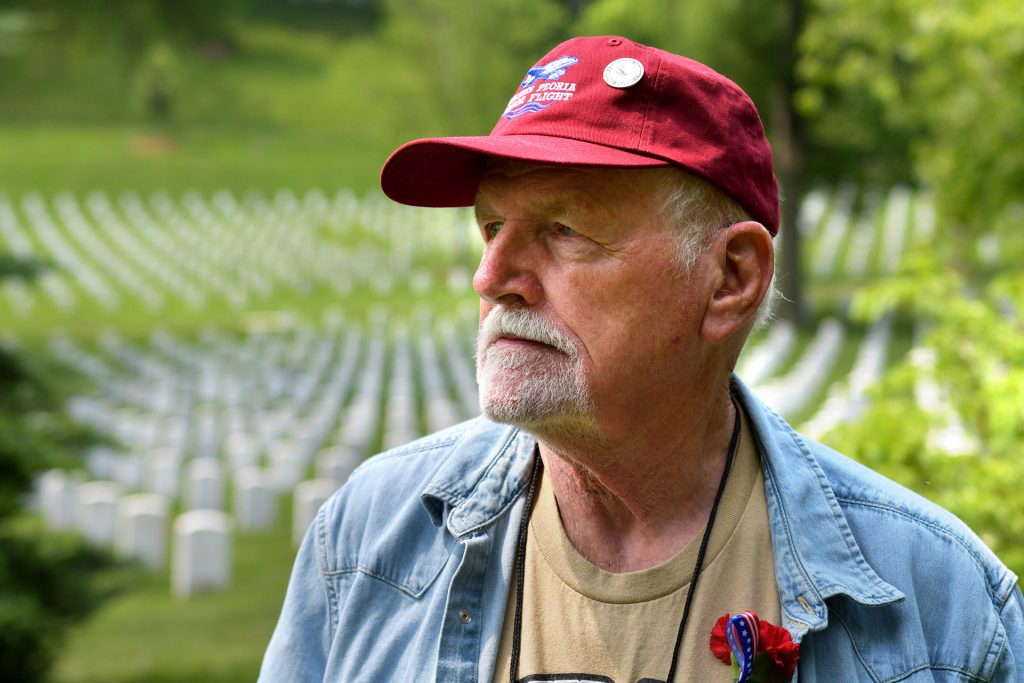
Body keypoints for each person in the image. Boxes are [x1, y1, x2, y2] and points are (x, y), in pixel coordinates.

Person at [259, 36, 1023, 682]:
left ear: (730, 279)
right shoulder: (365, 540)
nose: (490, 278)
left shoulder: (941, 606)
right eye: (491, 227)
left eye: (563, 229)